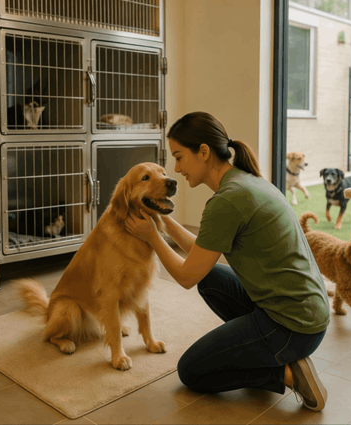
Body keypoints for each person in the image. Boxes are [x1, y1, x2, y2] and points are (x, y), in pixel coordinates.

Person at [124, 111, 330, 411]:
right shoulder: (245, 182)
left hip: (293, 326)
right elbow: (202, 253)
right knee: (211, 278)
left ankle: (287, 373)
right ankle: (259, 349)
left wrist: (151, 237)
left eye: (180, 157)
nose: (176, 168)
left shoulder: (226, 201)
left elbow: (185, 276)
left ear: (204, 152)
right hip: (306, 311)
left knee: (192, 371)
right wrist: (163, 222)